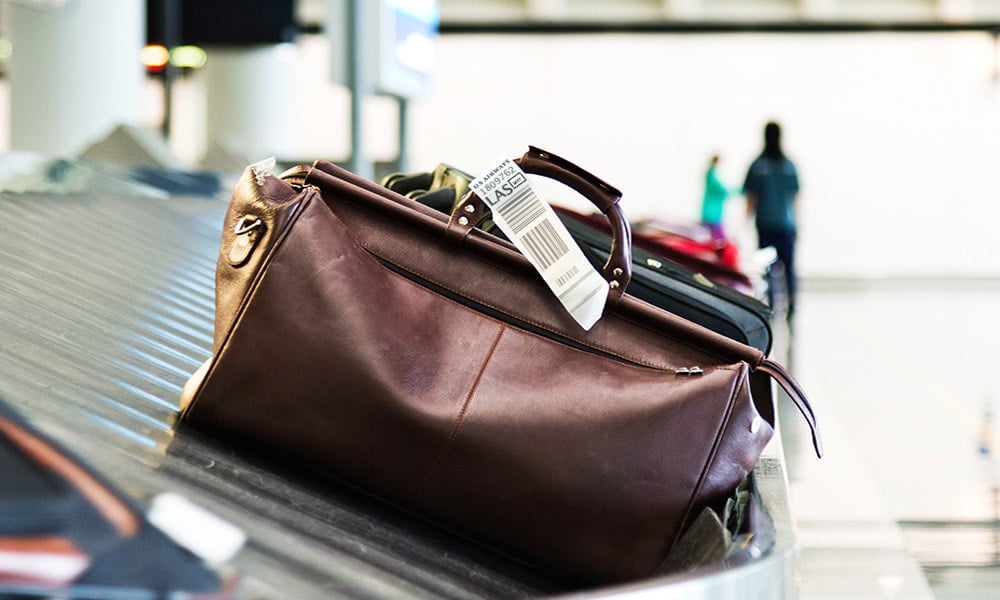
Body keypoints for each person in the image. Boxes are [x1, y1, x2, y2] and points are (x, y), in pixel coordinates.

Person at [744, 121, 799, 319]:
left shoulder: (758, 166)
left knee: (768, 269)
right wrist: (797, 223)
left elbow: (751, 198)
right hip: (786, 225)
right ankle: (792, 305)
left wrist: (745, 223)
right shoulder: (789, 165)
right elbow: (795, 198)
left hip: (766, 224)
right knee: (788, 269)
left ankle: (772, 306)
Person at [701, 154, 731, 239]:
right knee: (718, 238)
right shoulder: (712, 176)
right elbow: (723, 190)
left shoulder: (711, 174)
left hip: (711, 212)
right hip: (712, 213)